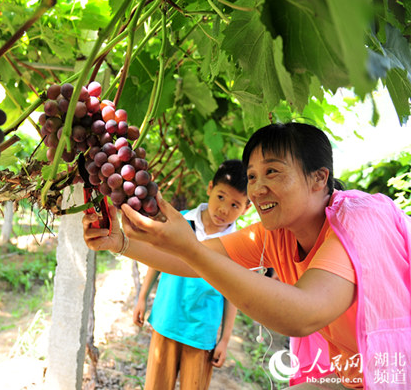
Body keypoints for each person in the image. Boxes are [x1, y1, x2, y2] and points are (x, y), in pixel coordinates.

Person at [83, 123, 411, 390]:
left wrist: (190, 246)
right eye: (253, 176)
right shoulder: (275, 235)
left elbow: (304, 313)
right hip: (357, 375)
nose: (256, 189)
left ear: (319, 178)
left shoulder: (359, 221)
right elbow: (192, 263)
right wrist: (119, 242)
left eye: (273, 172)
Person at [133, 160, 250, 390]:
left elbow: (232, 296)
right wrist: (142, 297)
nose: (224, 209)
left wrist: (224, 339)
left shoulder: (237, 246)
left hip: (201, 332)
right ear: (210, 189)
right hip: (166, 319)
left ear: (247, 209)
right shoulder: (181, 222)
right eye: (221, 197)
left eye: (235, 205)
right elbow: (157, 261)